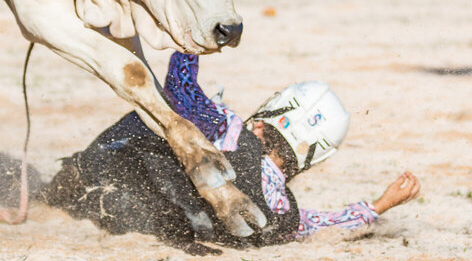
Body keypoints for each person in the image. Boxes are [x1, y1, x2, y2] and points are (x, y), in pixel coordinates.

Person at [44, 51, 421, 249]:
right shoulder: (283, 213)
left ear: (274, 112)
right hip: (148, 219)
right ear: (313, 156)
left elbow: (179, 88)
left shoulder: (225, 130)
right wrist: (379, 206)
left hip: (106, 186)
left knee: (159, 117)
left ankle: (56, 185)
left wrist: (188, 40)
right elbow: (321, 224)